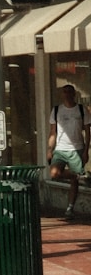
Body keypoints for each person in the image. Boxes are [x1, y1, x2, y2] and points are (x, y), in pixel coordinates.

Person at [48, 84, 91, 219]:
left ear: (74, 94)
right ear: (62, 94)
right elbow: (53, 132)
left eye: (69, 92)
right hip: (60, 148)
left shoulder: (81, 110)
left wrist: (86, 150)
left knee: (74, 183)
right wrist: (50, 149)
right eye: (64, 92)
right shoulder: (56, 110)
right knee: (54, 173)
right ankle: (77, 175)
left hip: (77, 148)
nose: (66, 94)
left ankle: (69, 208)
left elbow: (88, 132)